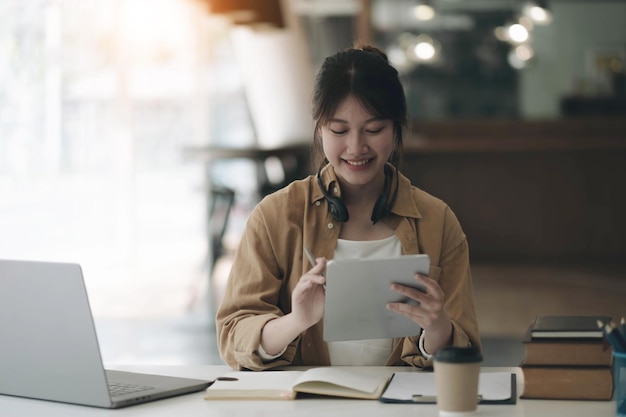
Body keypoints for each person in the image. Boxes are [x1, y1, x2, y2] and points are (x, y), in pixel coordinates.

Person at [216, 45, 480, 371]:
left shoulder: (438, 222)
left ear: (397, 129)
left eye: (373, 130)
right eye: (339, 130)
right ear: (319, 128)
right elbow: (232, 335)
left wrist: (438, 329)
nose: (356, 147)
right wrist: (297, 321)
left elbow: (466, 345)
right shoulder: (274, 217)